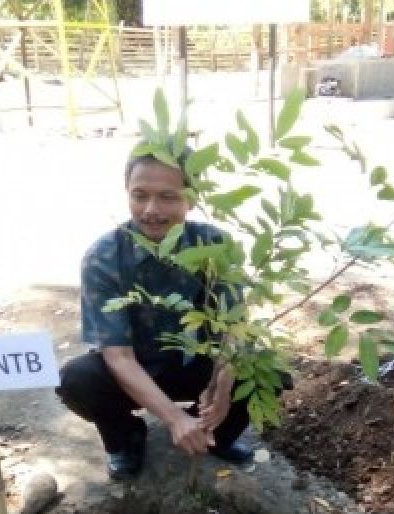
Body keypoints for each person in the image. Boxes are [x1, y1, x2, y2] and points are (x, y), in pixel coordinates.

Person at [56, 148, 260, 480]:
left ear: (190, 199)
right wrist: (173, 419)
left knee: (265, 368)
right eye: (140, 196)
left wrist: (222, 390)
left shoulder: (215, 245)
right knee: (78, 379)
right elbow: (118, 357)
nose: (152, 210)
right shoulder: (104, 256)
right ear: (127, 194)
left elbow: (234, 329)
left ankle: (214, 431)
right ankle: (127, 438)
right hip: (137, 367)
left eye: (168, 196)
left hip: (198, 363)